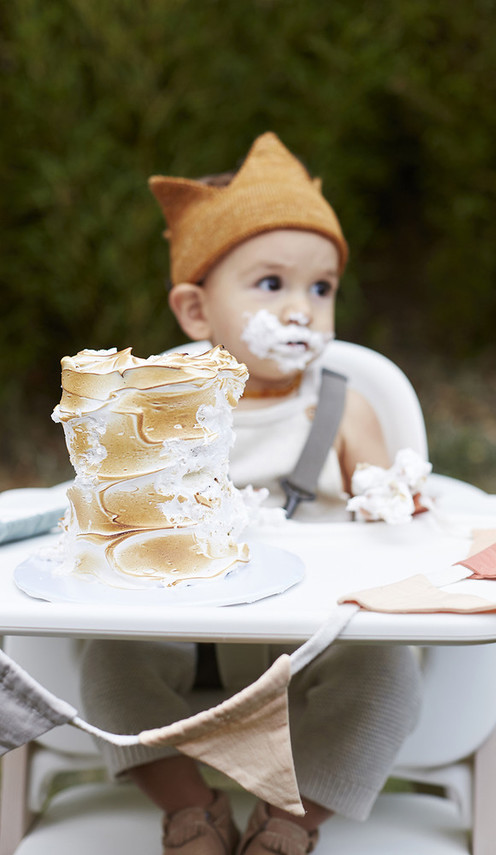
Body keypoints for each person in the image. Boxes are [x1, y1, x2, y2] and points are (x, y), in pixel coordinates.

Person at [80, 132, 422, 855]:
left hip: (320, 637)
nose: (301, 308)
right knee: (108, 657)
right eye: (272, 284)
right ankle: (191, 810)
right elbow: (122, 515)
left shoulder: (344, 408)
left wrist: (395, 502)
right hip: (194, 631)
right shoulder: (169, 406)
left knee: (390, 676)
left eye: (320, 288)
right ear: (197, 312)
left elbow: (400, 522)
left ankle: (288, 820)